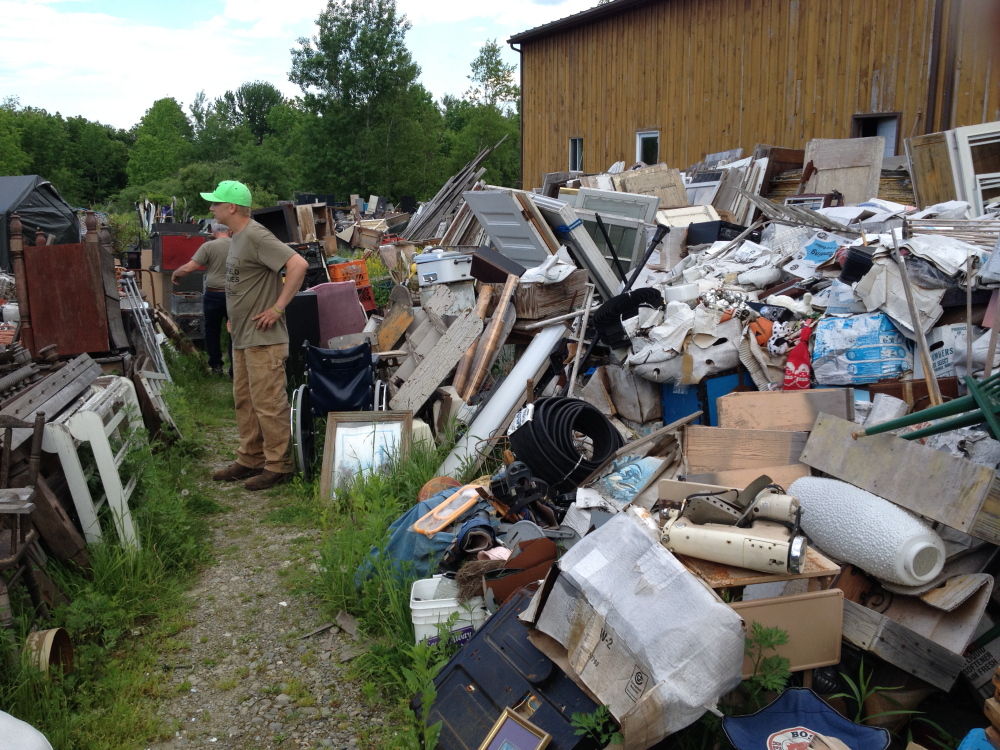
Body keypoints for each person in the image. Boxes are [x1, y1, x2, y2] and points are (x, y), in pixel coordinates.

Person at [199, 180, 309, 491]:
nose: (212, 208)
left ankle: (278, 465)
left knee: (268, 403)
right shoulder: (236, 237)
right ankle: (250, 458)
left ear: (231, 207)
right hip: (244, 336)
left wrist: (277, 308)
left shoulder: (257, 235)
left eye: (216, 203)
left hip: (265, 339)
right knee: (244, 401)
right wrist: (234, 319)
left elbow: (298, 264)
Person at [172, 221, 232, 376]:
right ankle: (236, 369)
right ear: (230, 230)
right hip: (234, 294)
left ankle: (216, 365)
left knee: (212, 330)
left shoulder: (209, 246)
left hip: (213, 294)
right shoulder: (238, 245)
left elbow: (189, 268)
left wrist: (176, 273)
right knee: (235, 331)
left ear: (212, 230)